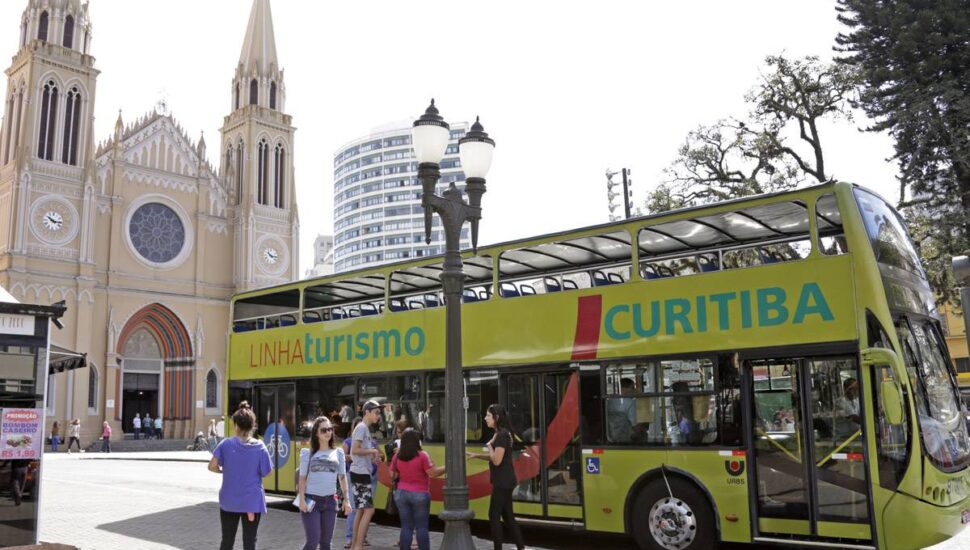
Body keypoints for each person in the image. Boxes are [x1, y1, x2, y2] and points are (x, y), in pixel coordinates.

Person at [209, 406, 273, 550]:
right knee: (250, 542)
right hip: (252, 502)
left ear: (236, 425)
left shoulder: (226, 444)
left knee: (227, 540)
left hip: (229, 501)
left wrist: (224, 471)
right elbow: (267, 472)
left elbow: (212, 466)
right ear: (252, 426)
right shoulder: (260, 447)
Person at [468, 404, 526, 550]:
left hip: (502, 481)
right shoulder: (504, 433)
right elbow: (498, 457)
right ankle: (521, 547)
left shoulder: (500, 435)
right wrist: (477, 455)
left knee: (493, 516)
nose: (485, 418)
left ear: (496, 418)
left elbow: (497, 460)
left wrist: (489, 445)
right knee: (508, 517)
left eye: (488, 415)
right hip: (507, 480)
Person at [297, 416, 351, 550]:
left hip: (331, 501)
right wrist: (302, 499)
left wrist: (347, 500)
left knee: (326, 543)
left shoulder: (338, 452)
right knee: (313, 541)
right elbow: (302, 478)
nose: (328, 432)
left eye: (330, 429)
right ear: (316, 433)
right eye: (324, 430)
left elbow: (343, 477)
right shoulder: (307, 453)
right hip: (311, 501)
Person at [391, 428, 445, 550]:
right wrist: (447, 467)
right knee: (421, 527)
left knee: (406, 527)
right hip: (420, 494)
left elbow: (392, 475)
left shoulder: (397, 456)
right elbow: (432, 473)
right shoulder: (422, 456)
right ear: (417, 441)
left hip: (401, 494)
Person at [349, 400, 384, 550]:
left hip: (361, 472)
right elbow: (354, 450)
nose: (379, 415)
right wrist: (372, 451)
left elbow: (359, 452)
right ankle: (358, 546)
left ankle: (354, 545)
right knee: (369, 510)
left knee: (361, 510)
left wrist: (373, 458)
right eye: (376, 412)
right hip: (360, 473)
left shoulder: (364, 429)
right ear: (367, 412)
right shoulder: (362, 428)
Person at [342, 417, 363, 549]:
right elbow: (342, 457)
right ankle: (350, 538)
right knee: (355, 507)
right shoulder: (348, 441)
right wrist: (354, 456)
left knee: (362, 508)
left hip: (365, 475)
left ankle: (360, 538)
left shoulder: (369, 441)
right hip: (353, 475)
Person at [607, 378, 637, 443]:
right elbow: (634, 424)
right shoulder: (630, 402)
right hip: (625, 438)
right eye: (632, 387)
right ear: (624, 388)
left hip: (610, 437)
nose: (634, 390)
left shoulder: (610, 400)